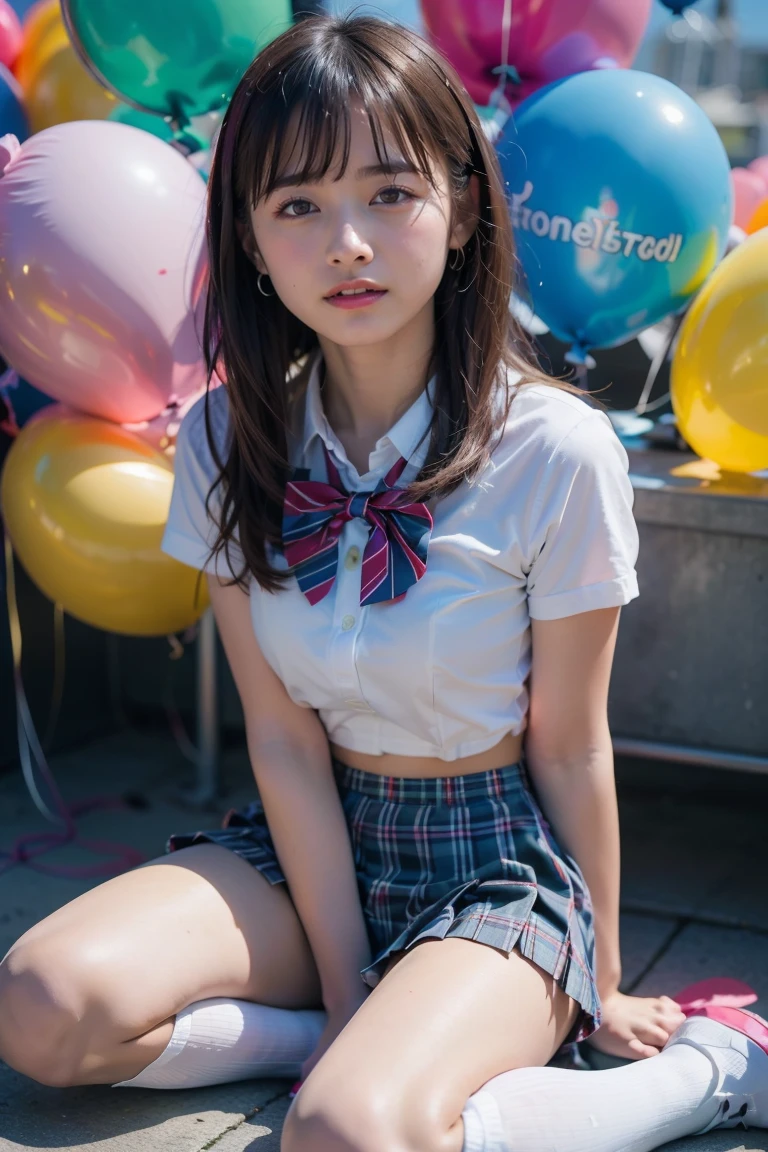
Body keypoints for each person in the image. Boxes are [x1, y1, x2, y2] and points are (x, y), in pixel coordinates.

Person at [0, 14, 766, 1152]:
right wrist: (349, 976)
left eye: (389, 194)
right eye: (298, 206)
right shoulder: (223, 435)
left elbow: (571, 743)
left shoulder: (553, 447)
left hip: (498, 860)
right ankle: (329, 1035)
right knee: (39, 1009)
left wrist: (598, 979)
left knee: (348, 1137)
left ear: (461, 209)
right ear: (251, 241)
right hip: (310, 828)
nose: (346, 243)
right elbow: (283, 738)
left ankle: (712, 1074)